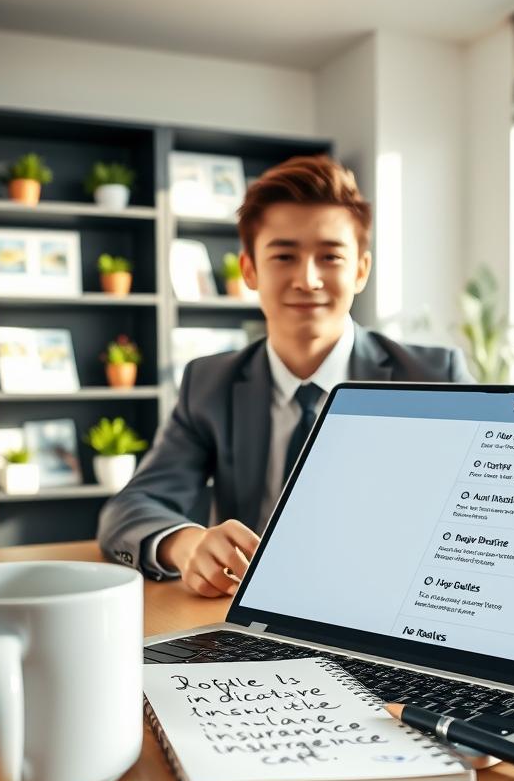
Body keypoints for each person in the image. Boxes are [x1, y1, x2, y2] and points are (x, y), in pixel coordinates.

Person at [97, 155, 469, 596]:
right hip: (250, 615)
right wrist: (186, 544)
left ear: (361, 270)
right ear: (250, 269)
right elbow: (129, 509)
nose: (307, 279)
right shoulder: (210, 384)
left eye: (330, 256)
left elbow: (474, 517)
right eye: (284, 256)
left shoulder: (430, 377)